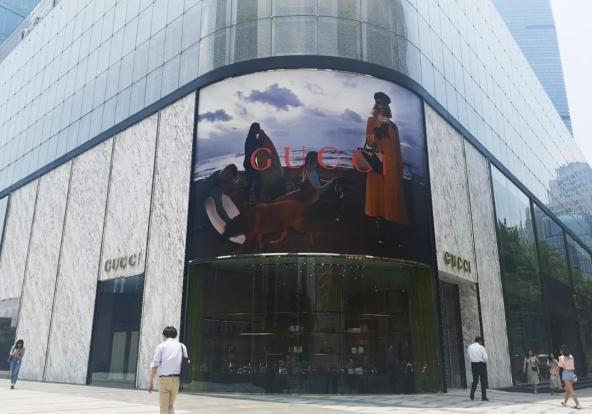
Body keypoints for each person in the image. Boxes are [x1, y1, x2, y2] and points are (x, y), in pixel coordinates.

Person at [364, 92, 408, 244]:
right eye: (378, 103)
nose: (381, 106)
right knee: (378, 195)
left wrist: (400, 164)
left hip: (393, 165)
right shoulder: (371, 120)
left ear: (387, 106)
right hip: (379, 161)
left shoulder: (393, 126)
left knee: (392, 195)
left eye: (383, 103)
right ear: (376, 105)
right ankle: (380, 230)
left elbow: (397, 147)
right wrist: (377, 132)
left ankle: (395, 227)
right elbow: (369, 141)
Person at [148, 326, 189, 414]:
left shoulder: (161, 346)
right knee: (170, 406)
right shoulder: (182, 346)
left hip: (165, 379)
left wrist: (151, 381)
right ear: (175, 335)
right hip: (177, 380)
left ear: (164, 335)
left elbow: (155, 365)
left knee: (164, 409)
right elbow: (186, 363)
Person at [244, 122, 264, 201]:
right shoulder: (251, 139)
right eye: (258, 128)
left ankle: (247, 199)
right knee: (258, 180)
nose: (259, 129)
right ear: (255, 129)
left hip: (249, 163)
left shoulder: (250, 138)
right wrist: (262, 134)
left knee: (251, 182)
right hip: (250, 163)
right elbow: (260, 145)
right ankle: (257, 198)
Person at [558, 344, 581, 409]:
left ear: (561, 350)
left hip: (566, 374)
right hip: (572, 374)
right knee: (567, 389)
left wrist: (556, 371)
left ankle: (578, 404)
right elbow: (573, 365)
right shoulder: (571, 356)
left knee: (571, 390)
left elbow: (559, 367)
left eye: (560, 350)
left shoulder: (561, 357)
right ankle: (565, 402)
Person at [467, 336, 489, 401]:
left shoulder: (470, 347)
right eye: (482, 341)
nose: (482, 343)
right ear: (480, 341)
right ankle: (484, 397)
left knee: (475, 380)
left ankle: (472, 394)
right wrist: (484, 361)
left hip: (473, 364)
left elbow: (468, 356)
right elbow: (485, 357)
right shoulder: (481, 347)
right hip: (481, 364)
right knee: (483, 381)